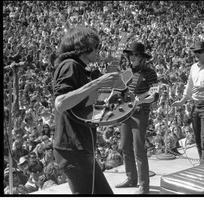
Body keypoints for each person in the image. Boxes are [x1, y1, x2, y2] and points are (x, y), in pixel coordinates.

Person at [52, 25, 121, 194]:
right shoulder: (70, 65)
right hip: (72, 149)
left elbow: (87, 104)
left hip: (81, 146)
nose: (99, 50)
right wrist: (98, 83)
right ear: (84, 46)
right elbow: (60, 102)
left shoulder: (85, 69)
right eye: (96, 46)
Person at [115, 42, 159, 194]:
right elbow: (121, 92)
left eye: (136, 55)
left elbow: (155, 95)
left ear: (142, 57)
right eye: (131, 55)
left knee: (139, 149)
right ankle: (131, 178)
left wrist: (143, 100)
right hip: (126, 113)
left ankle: (144, 186)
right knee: (125, 146)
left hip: (140, 113)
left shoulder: (150, 73)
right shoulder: (126, 72)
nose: (132, 57)